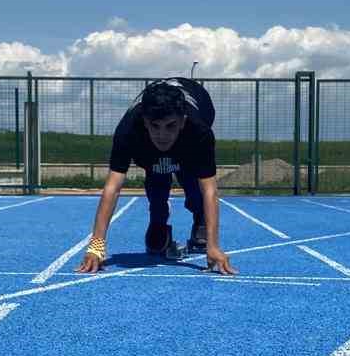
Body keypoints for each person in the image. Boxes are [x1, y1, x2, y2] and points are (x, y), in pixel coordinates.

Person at [77, 78, 237, 275]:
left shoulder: (199, 130)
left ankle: (199, 219)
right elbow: (113, 187)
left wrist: (213, 245)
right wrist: (96, 245)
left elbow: (209, 189)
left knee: (191, 175)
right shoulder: (128, 131)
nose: (163, 134)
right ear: (145, 121)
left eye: (170, 126)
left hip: (199, 109)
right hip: (148, 148)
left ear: (182, 121)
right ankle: (159, 217)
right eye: (155, 126)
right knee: (158, 173)